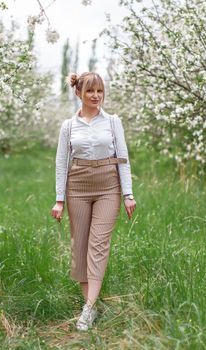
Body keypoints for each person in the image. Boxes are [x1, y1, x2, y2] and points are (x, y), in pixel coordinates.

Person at [50, 72, 136, 331]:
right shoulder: (68, 126)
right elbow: (61, 163)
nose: (96, 96)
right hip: (76, 187)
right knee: (80, 248)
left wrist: (128, 194)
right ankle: (92, 303)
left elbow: (123, 157)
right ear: (79, 93)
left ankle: (88, 309)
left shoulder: (112, 122)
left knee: (98, 245)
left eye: (99, 91)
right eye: (90, 91)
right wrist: (59, 200)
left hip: (108, 187)